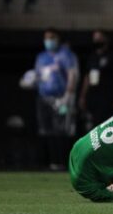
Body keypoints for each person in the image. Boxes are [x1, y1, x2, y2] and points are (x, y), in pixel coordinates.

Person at [33, 28, 79, 170]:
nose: (49, 41)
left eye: (52, 37)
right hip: (43, 98)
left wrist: (67, 97)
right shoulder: (41, 57)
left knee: (61, 130)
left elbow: (72, 75)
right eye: (46, 38)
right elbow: (37, 76)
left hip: (60, 98)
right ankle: (49, 162)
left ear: (58, 39)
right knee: (45, 130)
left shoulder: (66, 55)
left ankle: (62, 162)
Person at [79, 30, 113, 131]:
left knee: (106, 124)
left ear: (106, 39)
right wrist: (83, 96)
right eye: (95, 38)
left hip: (107, 96)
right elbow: (87, 78)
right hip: (93, 96)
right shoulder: (92, 57)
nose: (96, 40)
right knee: (92, 124)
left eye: (99, 38)